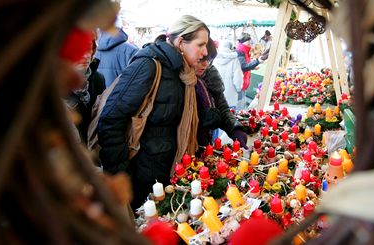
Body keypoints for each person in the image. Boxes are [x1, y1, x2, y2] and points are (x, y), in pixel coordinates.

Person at [97, 15, 209, 210]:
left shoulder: (184, 74)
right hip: (140, 177)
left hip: (166, 171)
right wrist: (120, 174)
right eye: (201, 44)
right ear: (181, 42)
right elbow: (111, 118)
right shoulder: (148, 65)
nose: (205, 52)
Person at [194, 38, 248, 149]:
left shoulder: (210, 73)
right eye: (200, 60)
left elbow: (222, 107)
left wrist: (234, 128)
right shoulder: (178, 80)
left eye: (208, 60)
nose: (205, 65)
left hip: (204, 142)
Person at [65, 33, 106, 144]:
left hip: (92, 145)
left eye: (89, 50)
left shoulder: (98, 78)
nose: (86, 55)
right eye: (79, 51)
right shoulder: (57, 83)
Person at [236, 32, 264, 109]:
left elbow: (243, 65)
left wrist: (252, 67)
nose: (250, 43)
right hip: (240, 83)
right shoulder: (240, 52)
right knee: (239, 104)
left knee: (242, 102)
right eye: (249, 41)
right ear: (244, 41)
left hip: (243, 82)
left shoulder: (244, 51)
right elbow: (244, 67)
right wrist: (257, 61)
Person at [212, 40, 243, 109]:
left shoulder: (215, 59)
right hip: (231, 96)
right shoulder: (235, 60)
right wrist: (238, 89)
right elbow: (238, 78)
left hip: (217, 96)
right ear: (231, 48)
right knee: (229, 116)